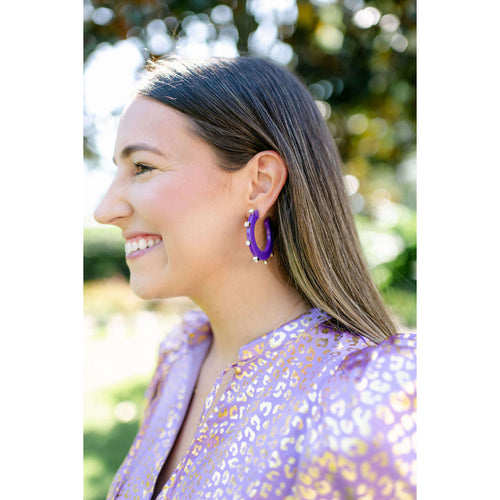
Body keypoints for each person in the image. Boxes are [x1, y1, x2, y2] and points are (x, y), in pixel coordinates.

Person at [94, 55, 416, 500]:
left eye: (143, 167)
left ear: (260, 183)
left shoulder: (369, 394)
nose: (104, 210)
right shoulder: (182, 353)